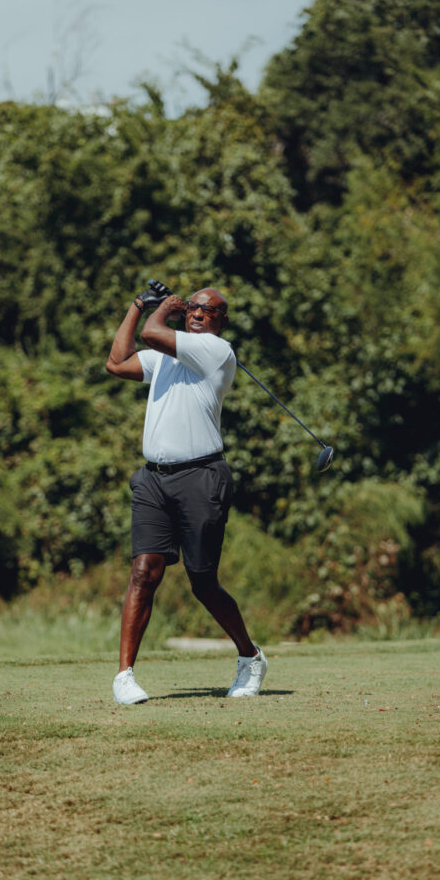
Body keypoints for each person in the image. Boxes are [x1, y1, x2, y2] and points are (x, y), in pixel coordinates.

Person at [105, 281, 267, 705]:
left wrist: (164, 309)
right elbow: (116, 363)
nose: (196, 313)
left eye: (207, 310)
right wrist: (138, 304)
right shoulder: (165, 356)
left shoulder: (217, 350)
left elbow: (152, 333)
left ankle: (250, 656)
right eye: (192, 307)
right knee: (143, 572)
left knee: (203, 582)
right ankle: (124, 676)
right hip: (153, 479)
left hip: (202, 476)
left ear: (220, 321)